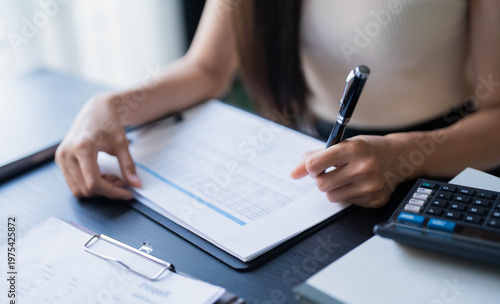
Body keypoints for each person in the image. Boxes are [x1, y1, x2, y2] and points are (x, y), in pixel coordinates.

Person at [56, 0, 500, 208]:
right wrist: (109, 106)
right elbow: (207, 69)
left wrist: (402, 156)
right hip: (324, 163)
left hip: (446, 161)